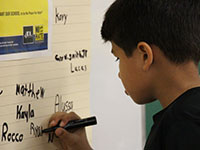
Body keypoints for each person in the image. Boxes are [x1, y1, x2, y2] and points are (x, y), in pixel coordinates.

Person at [48, 0, 200, 149]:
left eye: (118, 58)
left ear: (145, 56)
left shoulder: (182, 127)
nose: (120, 74)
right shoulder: (188, 118)